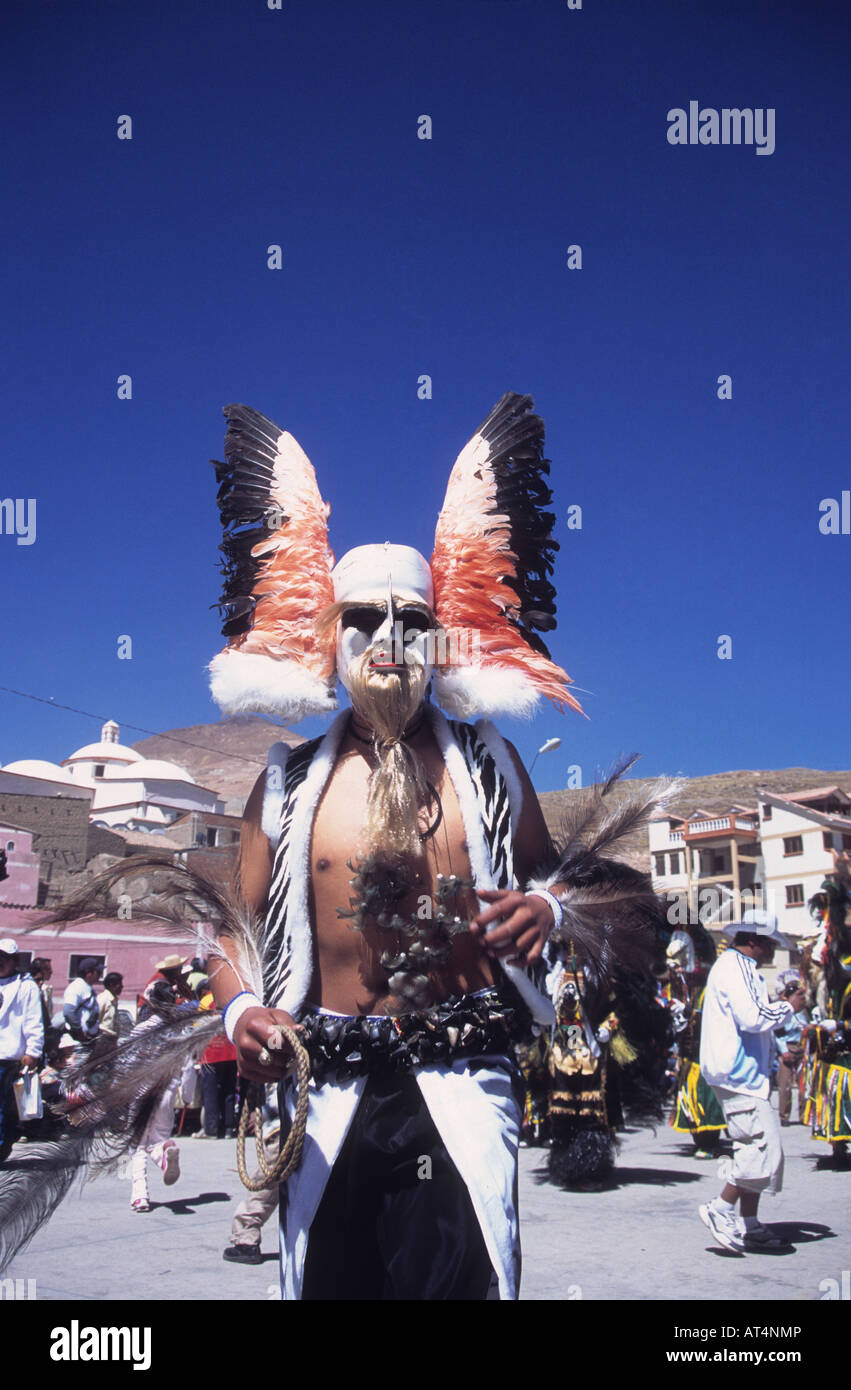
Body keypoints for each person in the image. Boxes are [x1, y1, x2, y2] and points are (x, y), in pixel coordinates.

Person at [205, 396, 660, 1299]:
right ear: (328, 636)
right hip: (324, 1095)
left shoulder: (489, 767)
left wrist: (551, 908)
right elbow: (230, 931)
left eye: (411, 623)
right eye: (364, 620)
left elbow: (567, 885)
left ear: (439, 636)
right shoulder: (285, 783)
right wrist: (238, 1013)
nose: (387, 642)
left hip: (461, 1084)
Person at [698, 912, 806, 1252]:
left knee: (752, 1146)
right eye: (771, 943)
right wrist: (788, 1008)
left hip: (740, 1074)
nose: (774, 950)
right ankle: (721, 1208)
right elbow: (753, 1017)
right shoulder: (737, 968)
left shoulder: (735, 967)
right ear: (755, 942)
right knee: (763, 1152)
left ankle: (751, 1224)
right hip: (738, 1075)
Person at [128, 982, 183, 1212]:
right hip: (167, 1091)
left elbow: (128, 1062)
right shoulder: (179, 1031)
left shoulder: (141, 1030)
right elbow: (187, 1066)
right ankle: (164, 1155)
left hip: (142, 1089)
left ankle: (140, 1195)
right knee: (158, 1139)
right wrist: (186, 1094)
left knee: (137, 1144)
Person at [0, 939, 44, 1161]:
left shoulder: (26, 986)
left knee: (4, 1108)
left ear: (15, 961)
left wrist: (33, 1051)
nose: (0, 962)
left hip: (9, 1057)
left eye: (4, 958)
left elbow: (33, 1021)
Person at [774, 976, 809, 1126]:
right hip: (787, 1048)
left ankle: (804, 1116)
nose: (801, 998)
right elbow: (776, 1033)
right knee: (785, 1084)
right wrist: (783, 1051)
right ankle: (784, 1116)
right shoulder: (783, 1011)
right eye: (797, 995)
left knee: (804, 1084)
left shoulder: (805, 1012)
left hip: (802, 1048)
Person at [63, 958, 102, 1043]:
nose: (100, 975)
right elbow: (68, 1011)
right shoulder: (76, 987)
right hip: (77, 1039)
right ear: (88, 972)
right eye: (98, 972)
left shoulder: (87, 987)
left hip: (88, 1039)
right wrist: (78, 1032)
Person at [98, 972, 124, 1043]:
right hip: (103, 1040)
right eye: (120, 984)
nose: (122, 987)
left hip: (111, 1040)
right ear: (111, 985)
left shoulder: (114, 1000)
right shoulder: (103, 999)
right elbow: (95, 1021)